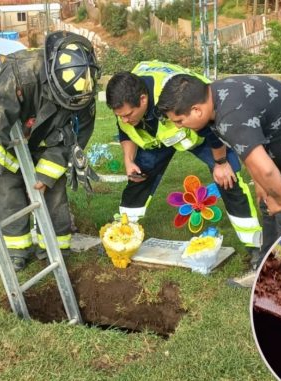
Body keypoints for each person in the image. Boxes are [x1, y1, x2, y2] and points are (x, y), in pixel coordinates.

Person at [156, 74, 281, 262]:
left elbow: (266, 170)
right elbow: (252, 150)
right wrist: (261, 184)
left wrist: (280, 201)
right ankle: (265, 268)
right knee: (267, 203)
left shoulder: (231, 117)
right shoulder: (214, 97)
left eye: (179, 121)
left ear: (197, 110)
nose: (180, 127)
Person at [105, 61, 262, 256]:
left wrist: (220, 163)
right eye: (120, 116)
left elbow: (213, 124)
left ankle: (255, 246)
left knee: (228, 180)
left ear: (143, 99)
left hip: (203, 129)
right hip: (161, 136)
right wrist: (129, 160)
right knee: (138, 175)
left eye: (128, 115)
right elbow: (126, 130)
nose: (125, 119)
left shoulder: (174, 94)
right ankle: (123, 237)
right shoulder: (125, 98)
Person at [0, 31, 100, 271]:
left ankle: (54, 247)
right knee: (10, 194)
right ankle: (17, 250)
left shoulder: (85, 88)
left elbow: (77, 138)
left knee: (55, 195)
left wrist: (46, 175)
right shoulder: (21, 71)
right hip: (12, 143)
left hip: (50, 147)